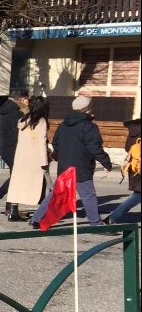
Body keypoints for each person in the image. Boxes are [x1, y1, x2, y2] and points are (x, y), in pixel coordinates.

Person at [30, 95, 112, 228]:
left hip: (64, 166)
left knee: (55, 194)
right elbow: (95, 148)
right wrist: (106, 163)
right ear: (87, 110)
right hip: (82, 167)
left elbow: (56, 144)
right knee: (88, 195)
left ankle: (36, 218)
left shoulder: (63, 125)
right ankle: (96, 223)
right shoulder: (89, 127)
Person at [6, 95, 50, 222]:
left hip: (21, 158)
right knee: (42, 186)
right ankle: (43, 212)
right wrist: (44, 162)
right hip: (34, 159)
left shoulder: (24, 120)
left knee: (17, 184)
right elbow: (41, 143)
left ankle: (13, 211)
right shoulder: (41, 121)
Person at [0, 91, 29, 212]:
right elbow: (18, 133)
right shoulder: (17, 113)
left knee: (15, 177)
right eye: (27, 99)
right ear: (21, 100)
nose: (28, 102)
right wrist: (26, 115)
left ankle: (10, 207)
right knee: (17, 177)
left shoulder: (7, 111)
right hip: (13, 148)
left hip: (6, 148)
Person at [104, 117, 140, 225]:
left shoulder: (134, 130)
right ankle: (112, 218)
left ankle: (112, 218)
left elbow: (127, 148)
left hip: (135, 168)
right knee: (138, 196)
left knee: (138, 195)